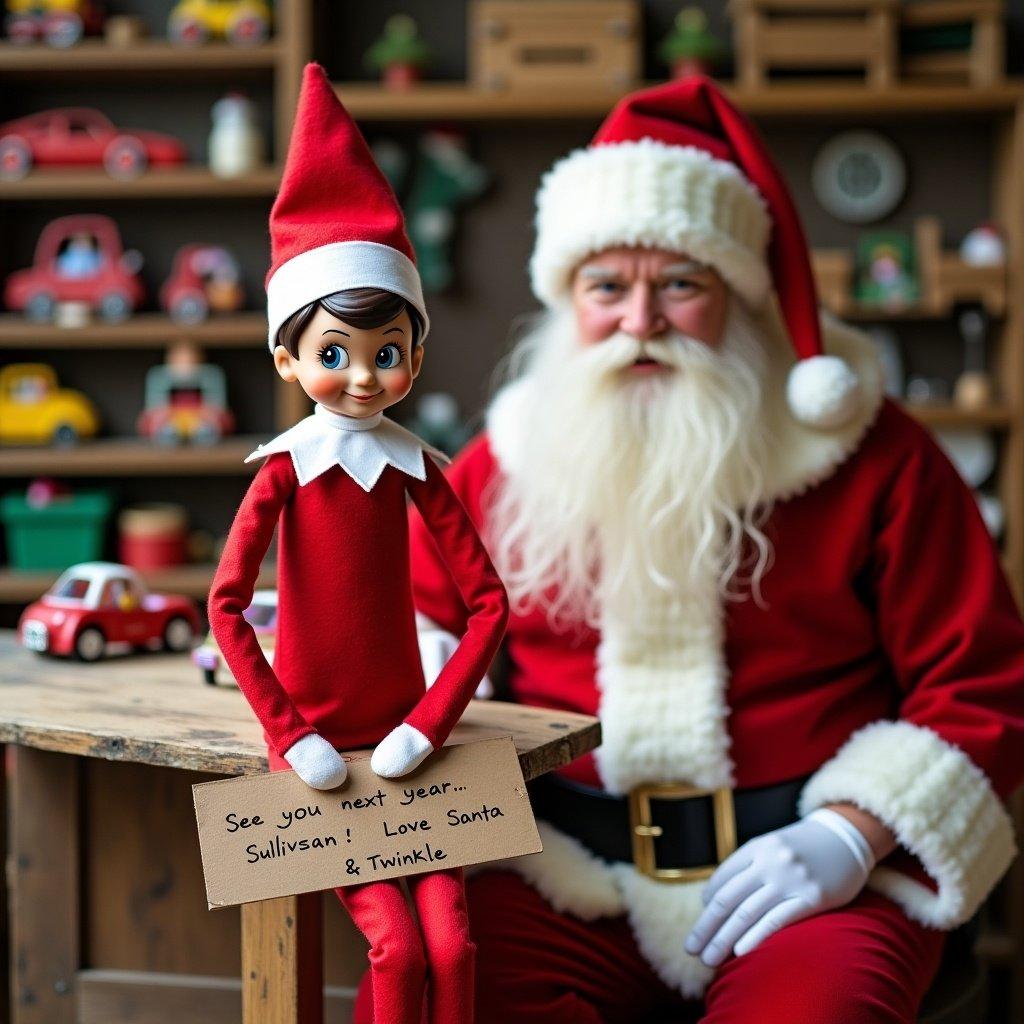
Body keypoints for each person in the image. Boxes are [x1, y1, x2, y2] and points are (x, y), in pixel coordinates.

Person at [403, 77, 1024, 1022]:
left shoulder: (873, 456)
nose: (640, 322)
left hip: (810, 880)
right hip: (555, 866)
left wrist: (853, 836)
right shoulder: (502, 463)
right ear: (569, 300)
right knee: (438, 997)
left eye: (680, 286)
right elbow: (414, 628)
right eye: (607, 287)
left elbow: (984, 685)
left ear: (741, 298)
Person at [209, 65, 508, 1024]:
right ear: (287, 359)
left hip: (414, 755)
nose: (364, 378)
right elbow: (223, 606)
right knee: (396, 948)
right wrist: (289, 733)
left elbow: (490, 604)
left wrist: (431, 719)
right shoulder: (283, 472)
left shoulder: (422, 470)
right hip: (317, 762)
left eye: (387, 353)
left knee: (454, 945)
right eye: (333, 354)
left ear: (415, 357)